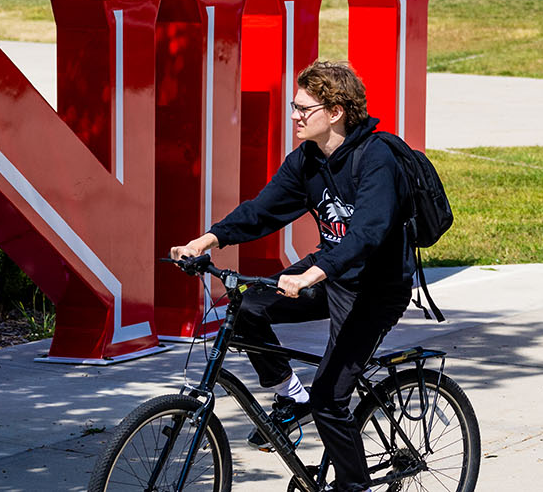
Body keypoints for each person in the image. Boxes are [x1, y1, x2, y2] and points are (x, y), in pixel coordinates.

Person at [169, 61, 414, 490]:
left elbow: (367, 235)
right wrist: (206, 241)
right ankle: (288, 392)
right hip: (328, 275)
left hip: (375, 289)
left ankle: (352, 486)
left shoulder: (376, 159)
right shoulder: (308, 160)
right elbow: (264, 209)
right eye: (293, 106)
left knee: (331, 399)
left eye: (304, 108)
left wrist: (310, 274)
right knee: (244, 302)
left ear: (335, 111)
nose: (295, 116)